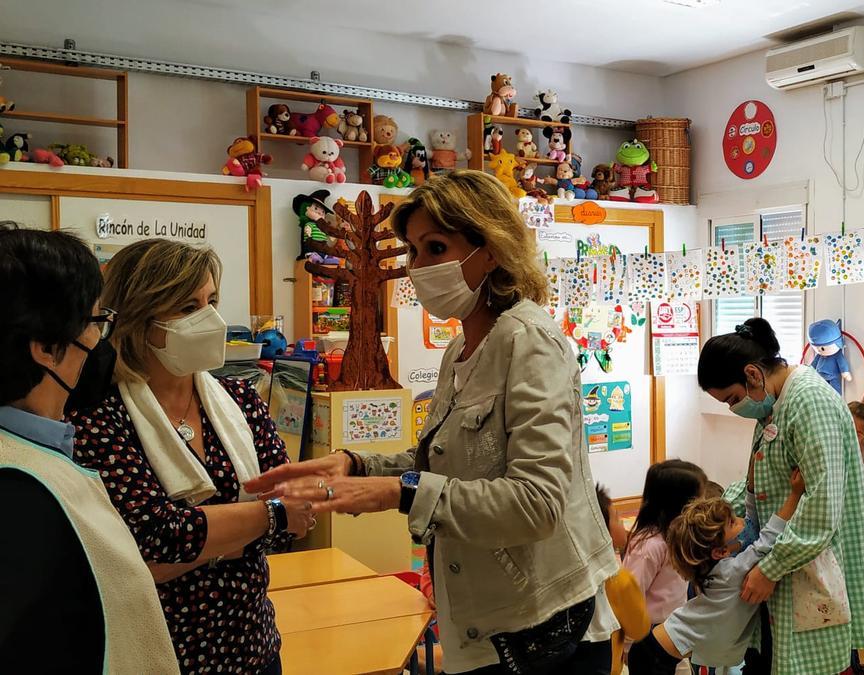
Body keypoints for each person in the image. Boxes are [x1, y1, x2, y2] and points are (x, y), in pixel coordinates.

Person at [245, 170, 618, 675]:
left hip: (542, 626)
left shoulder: (527, 340)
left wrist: (395, 493)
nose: (419, 268)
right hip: (486, 615)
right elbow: (440, 460)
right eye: (414, 252)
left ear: (490, 249)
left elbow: (537, 504)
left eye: (435, 248)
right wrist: (353, 465)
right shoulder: (462, 348)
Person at [69, 239, 312, 674]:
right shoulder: (99, 414)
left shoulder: (240, 399)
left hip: (253, 647)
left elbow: (296, 515)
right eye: (187, 307)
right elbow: (150, 543)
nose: (211, 319)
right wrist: (265, 519)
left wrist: (200, 542)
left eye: (211, 301)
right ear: (140, 316)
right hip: (159, 655)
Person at [0, 225, 179, 673]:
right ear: (46, 347)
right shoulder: (21, 491)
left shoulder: (46, 450)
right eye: (96, 323)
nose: (102, 343)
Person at [696, 318, 864, 674]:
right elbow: (762, 480)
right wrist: (715, 513)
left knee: (813, 664)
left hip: (811, 569)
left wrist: (770, 568)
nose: (733, 408)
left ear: (753, 374)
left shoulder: (810, 403)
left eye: (732, 399)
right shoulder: (775, 403)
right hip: (786, 562)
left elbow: (821, 508)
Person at [627, 469, 805, 675]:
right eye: (733, 522)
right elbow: (768, 538)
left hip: (656, 649)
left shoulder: (722, 565)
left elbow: (751, 518)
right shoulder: (731, 572)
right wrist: (795, 494)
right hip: (653, 655)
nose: (741, 520)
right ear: (720, 551)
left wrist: (752, 485)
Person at [623, 460, 707, 628]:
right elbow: (630, 599)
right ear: (678, 504)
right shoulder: (649, 546)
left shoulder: (679, 537)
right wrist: (626, 646)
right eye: (699, 500)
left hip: (674, 622)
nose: (704, 506)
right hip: (648, 631)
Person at [596, 484, 651, 675]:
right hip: (608, 666)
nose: (622, 523)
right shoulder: (618, 579)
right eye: (617, 517)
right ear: (603, 530)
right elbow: (638, 628)